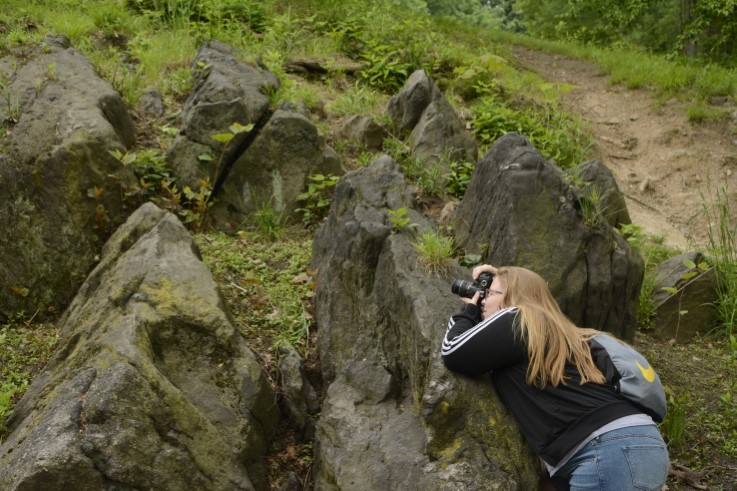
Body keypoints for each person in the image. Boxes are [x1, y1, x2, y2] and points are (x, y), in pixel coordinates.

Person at [441, 264, 670, 491]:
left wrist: (469, 312)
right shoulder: (555, 333)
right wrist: (492, 279)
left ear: (514, 297)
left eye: (489, 294)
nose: (482, 299)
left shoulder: (519, 318)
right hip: (628, 444)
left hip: (608, 449)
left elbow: (454, 351)